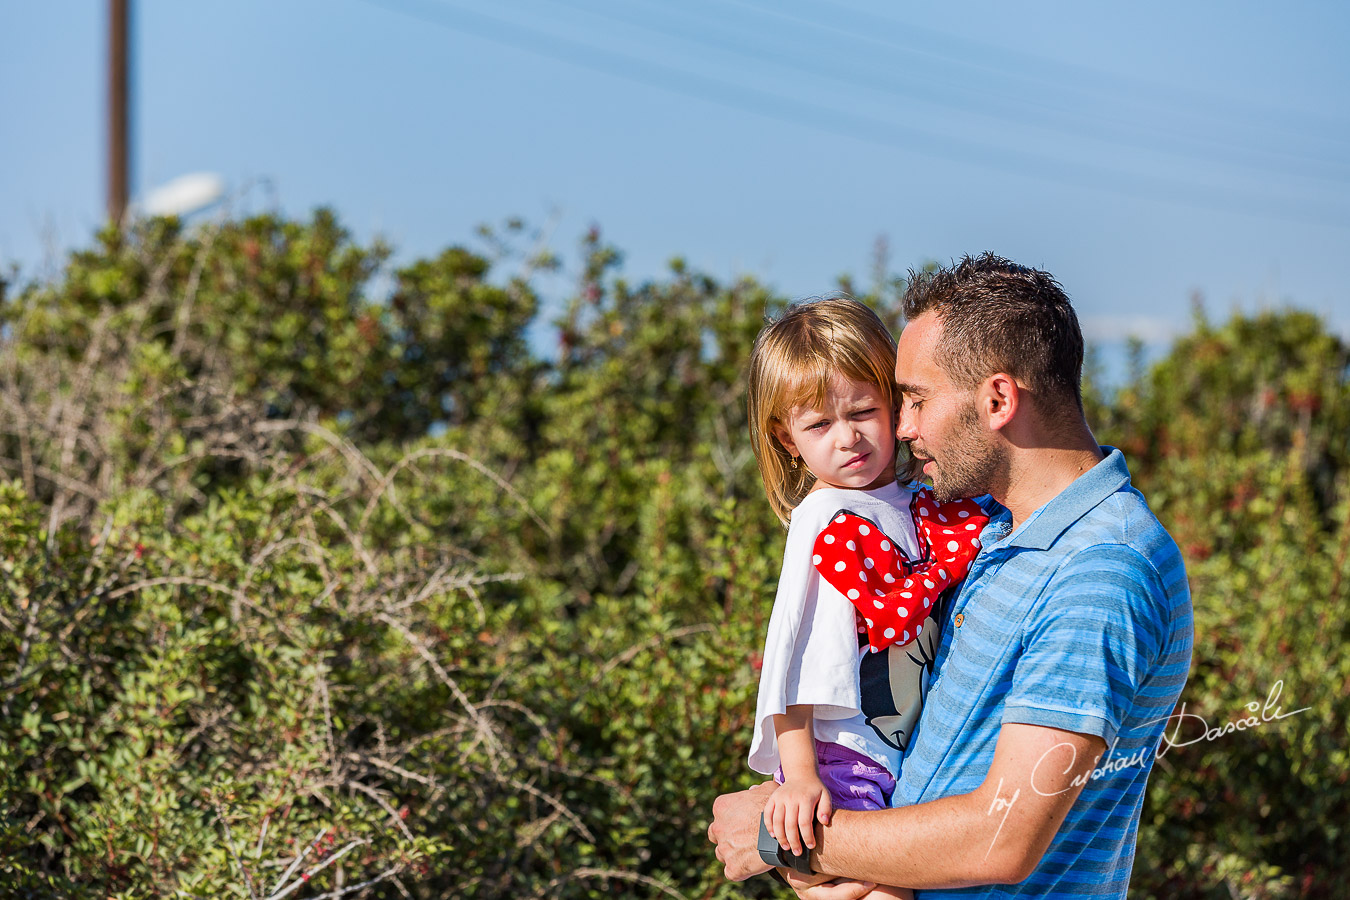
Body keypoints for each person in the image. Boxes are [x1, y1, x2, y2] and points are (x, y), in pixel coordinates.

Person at [708, 254, 1194, 898]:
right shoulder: (993, 532)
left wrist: (782, 838)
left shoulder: (1099, 571)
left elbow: (1002, 837)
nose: (901, 428)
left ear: (997, 398)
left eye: (914, 399)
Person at [743, 297, 987, 900]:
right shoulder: (824, 517)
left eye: (863, 411)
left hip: (890, 754)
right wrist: (799, 776)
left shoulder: (917, 503)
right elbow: (791, 656)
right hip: (837, 757)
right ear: (787, 439)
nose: (848, 438)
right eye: (819, 425)